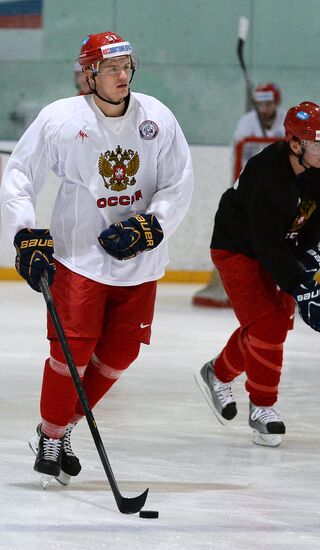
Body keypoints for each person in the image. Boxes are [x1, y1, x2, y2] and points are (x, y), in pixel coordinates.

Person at [0, 31, 193, 484]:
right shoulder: (61, 119)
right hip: (79, 256)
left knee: (122, 354)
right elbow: (19, 175)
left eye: (127, 66)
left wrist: (154, 224)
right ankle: (51, 435)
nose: (123, 75)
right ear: (89, 75)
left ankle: (64, 425)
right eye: (111, 68)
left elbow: (180, 180)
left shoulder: (157, 118)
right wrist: (26, 232)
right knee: (72, 352)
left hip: (140, 263)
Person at [194, 101, 320, 447]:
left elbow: (313, 221)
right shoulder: (266, 174)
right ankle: (262, 407)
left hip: (279, 246)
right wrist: (300, 285)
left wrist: (305, 261)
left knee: (272, 325)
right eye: (318, 143)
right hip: (238, 248)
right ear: (294, 144)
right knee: (269, 325)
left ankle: (218, 372)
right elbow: (265, 242)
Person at [192, 83, 286, 308]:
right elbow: (240, 152)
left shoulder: (285, 121)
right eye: (261, 103)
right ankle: (240, 281)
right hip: (250, 188)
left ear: (276, 102)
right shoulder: (247, 123)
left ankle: (274, 280)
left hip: (279, 189)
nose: (265, 108)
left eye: (269, 103)